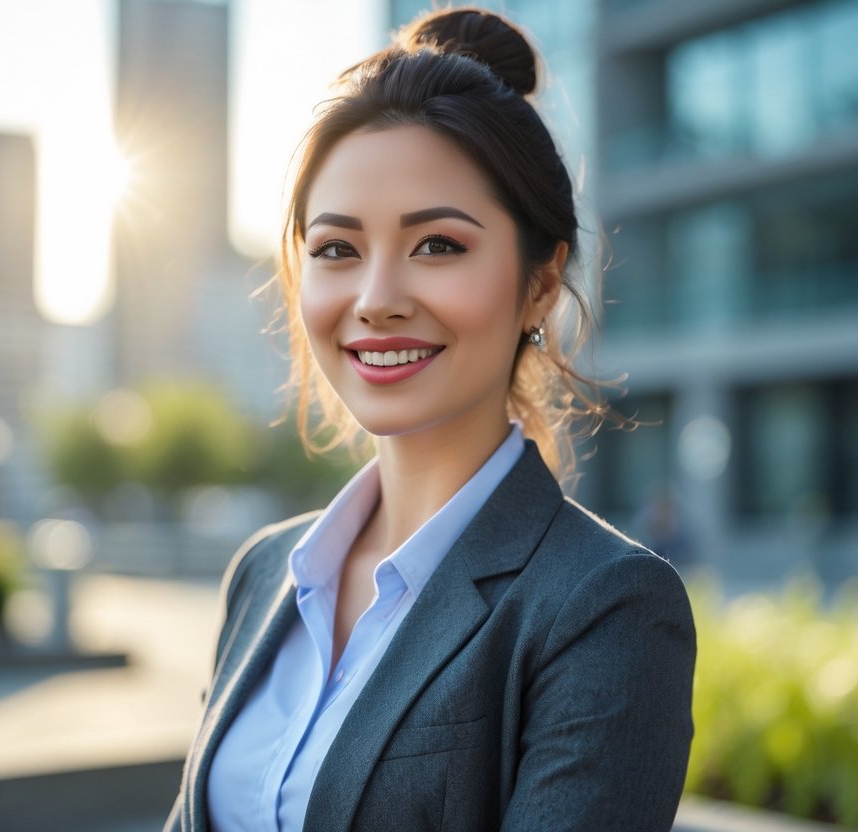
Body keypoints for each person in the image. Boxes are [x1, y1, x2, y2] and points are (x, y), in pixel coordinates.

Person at [165, 8, 696, 831]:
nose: (376, 300)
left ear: (540, 283)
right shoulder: (267, 574)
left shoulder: (605, 609)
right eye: (337, 250)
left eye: (438, 245)